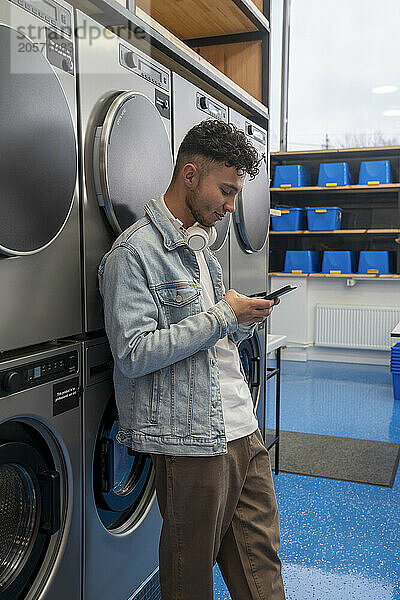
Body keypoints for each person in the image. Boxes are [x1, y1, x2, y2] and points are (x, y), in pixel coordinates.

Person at [98, 119, 286, 600]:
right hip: (192, 442)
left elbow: (208, 340)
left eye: (235, 194)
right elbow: (134, 352)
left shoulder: (205, 250)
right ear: (189, 174)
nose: (229, 206)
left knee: (262, 566)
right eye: (225, 191)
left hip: (243, 428)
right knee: (190, 578)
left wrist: (242, 318)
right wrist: (225, 314)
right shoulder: (133, 254)